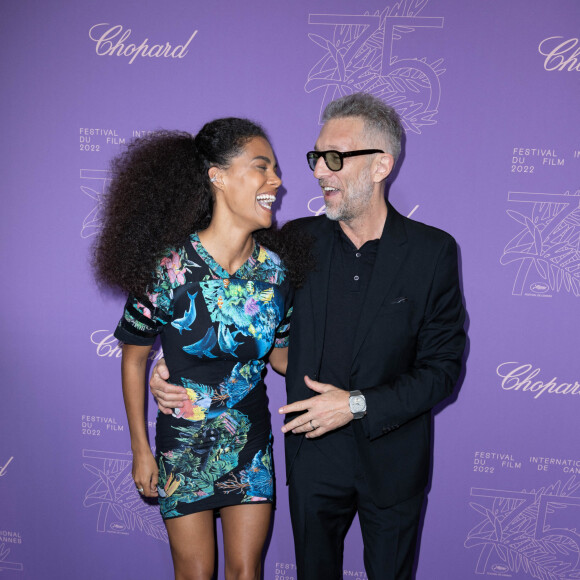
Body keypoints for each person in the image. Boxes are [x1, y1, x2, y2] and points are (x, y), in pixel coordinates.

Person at [150, 93, 466, 580]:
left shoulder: (433, 252)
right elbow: (237, 314)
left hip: (394, 463)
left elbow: (442, 371)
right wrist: (177, 363)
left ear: (381, 165)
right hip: (313, 463)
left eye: (335, 159)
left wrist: (355, 403)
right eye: (316, 157)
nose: (320, 171)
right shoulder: (291, 245)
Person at [93, 119, 311, 580]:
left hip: (250, 441)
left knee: (245, 573)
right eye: (261, 167)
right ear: (218, 176)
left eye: (275, 169)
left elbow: (281, 358)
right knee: (194, 574)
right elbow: (134, 357)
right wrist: (140, 448)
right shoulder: (168, 269)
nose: (277, 181)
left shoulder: (277, 274)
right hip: (183, 444)